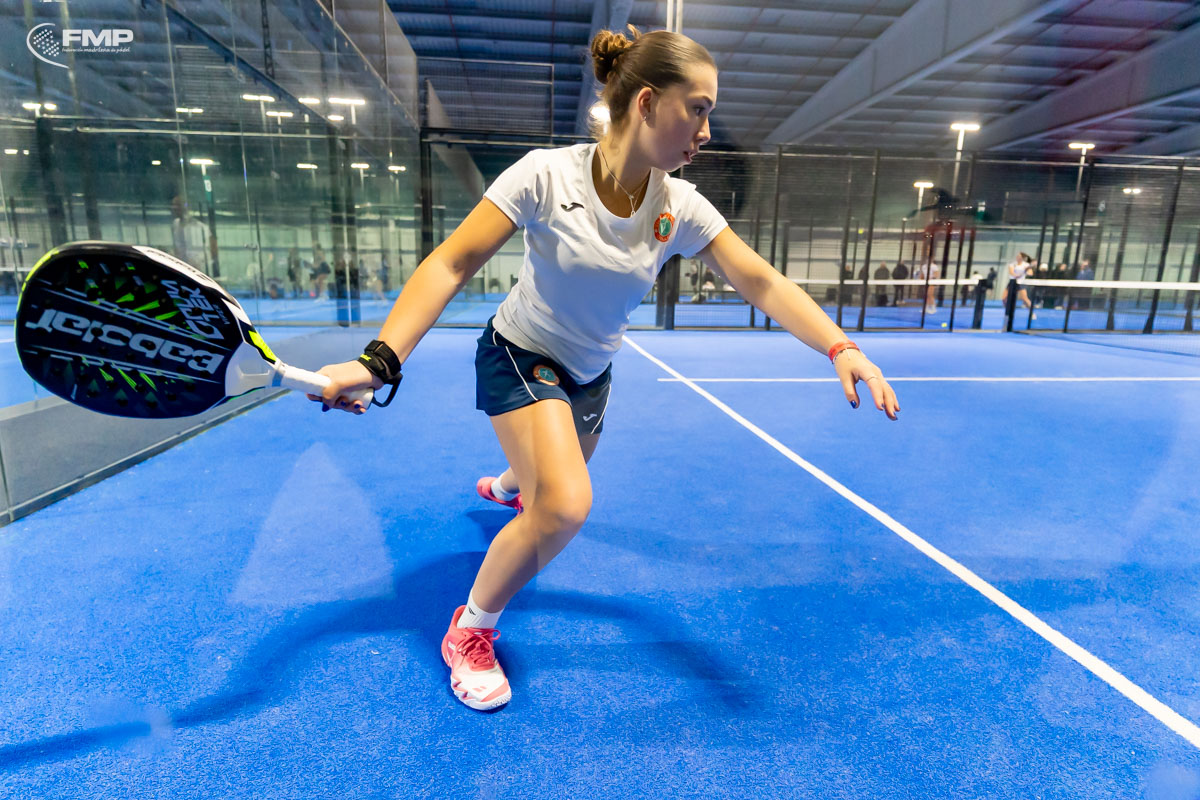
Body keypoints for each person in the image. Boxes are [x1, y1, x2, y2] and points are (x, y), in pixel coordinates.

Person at [308, 26, 900, 712]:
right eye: (698, 108)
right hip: (520, 353)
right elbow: (452, 262)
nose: (707, 131)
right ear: (647, 103)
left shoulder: (679, 206)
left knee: (547, 483)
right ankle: (469, 630)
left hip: (591, 373)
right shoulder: (544, 175)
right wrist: (379, 361)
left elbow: (761, 281)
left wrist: (840, 347)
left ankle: (509, 482)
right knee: (564, 504)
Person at [1001, 252, 1035, 319]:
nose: (1018, 257)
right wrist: (1017, 275)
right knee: (1004, 299)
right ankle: (1008, 313)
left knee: (1025, 299)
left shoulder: (1026, 265)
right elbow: (1011, 273)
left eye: (1020, 256)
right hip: (1012, 283)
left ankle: (1032, 313)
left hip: (1021, 283)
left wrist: (1026, 271)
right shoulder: (1012, 264)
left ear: (1023, 258)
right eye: (1017, 256)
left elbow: (1031, 273)